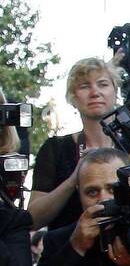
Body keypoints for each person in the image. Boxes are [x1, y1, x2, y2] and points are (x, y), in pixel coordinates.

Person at [28, 59, 121, 230]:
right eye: (85, 86)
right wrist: (74, 179)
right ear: (72, 98)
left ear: (115, 92)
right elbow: (32, 220)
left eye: (103, 84)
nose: (95, 92)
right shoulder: (56, 148)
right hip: (70, 251)